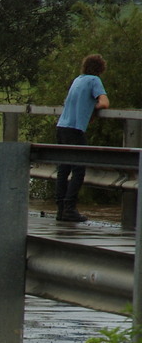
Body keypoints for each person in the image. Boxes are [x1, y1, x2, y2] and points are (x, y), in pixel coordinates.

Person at [54, 54, 109, 223]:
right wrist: (93, 108)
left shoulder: (78, 79)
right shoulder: (94, 80)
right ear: (100, 68)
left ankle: (61, 210)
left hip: (61, 127)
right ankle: (70, 209)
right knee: (78, 170)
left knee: (63, 169)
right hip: (75, 129)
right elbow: (104, 103)